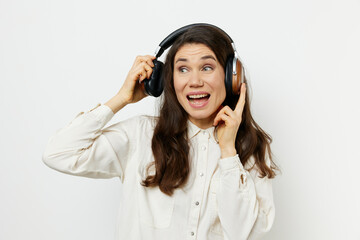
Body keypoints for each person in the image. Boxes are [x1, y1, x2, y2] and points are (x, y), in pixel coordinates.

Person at [42, 24, 279, 240]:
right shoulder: (140, 134)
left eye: (207, 67)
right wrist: (121, 99)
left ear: (231, 77)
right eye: (183, 69)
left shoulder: (252, 148)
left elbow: (245, 235)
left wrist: (228, 152)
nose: (194, 81)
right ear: (169, 79)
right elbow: (58, 153)